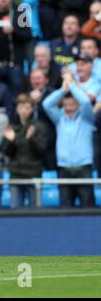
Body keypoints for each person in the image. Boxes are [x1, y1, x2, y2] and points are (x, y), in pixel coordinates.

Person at [43, 70, 96, 208]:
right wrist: (63, 89)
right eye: (66, 105)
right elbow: (46, 104)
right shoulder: (59, 119)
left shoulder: (87, 118)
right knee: (65, 210)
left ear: (77, 105)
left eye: (72, 105)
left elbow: (85, 101)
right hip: (64, 168)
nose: (69, 108)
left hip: (83, 168)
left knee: (88, 209)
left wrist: (72, 85)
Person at [2, 94, 47, 208]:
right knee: (15, 213)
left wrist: (31, 139)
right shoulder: (11, 128)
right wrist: (11, 141)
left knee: (35, 213)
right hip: (16, 174)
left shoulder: (39, 127)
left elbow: (42, 151)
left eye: (27, 107)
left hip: (34, 173)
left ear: (32, 109)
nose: (24, 111)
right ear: (17, 109)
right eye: (21, 107)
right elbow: (6, 152)